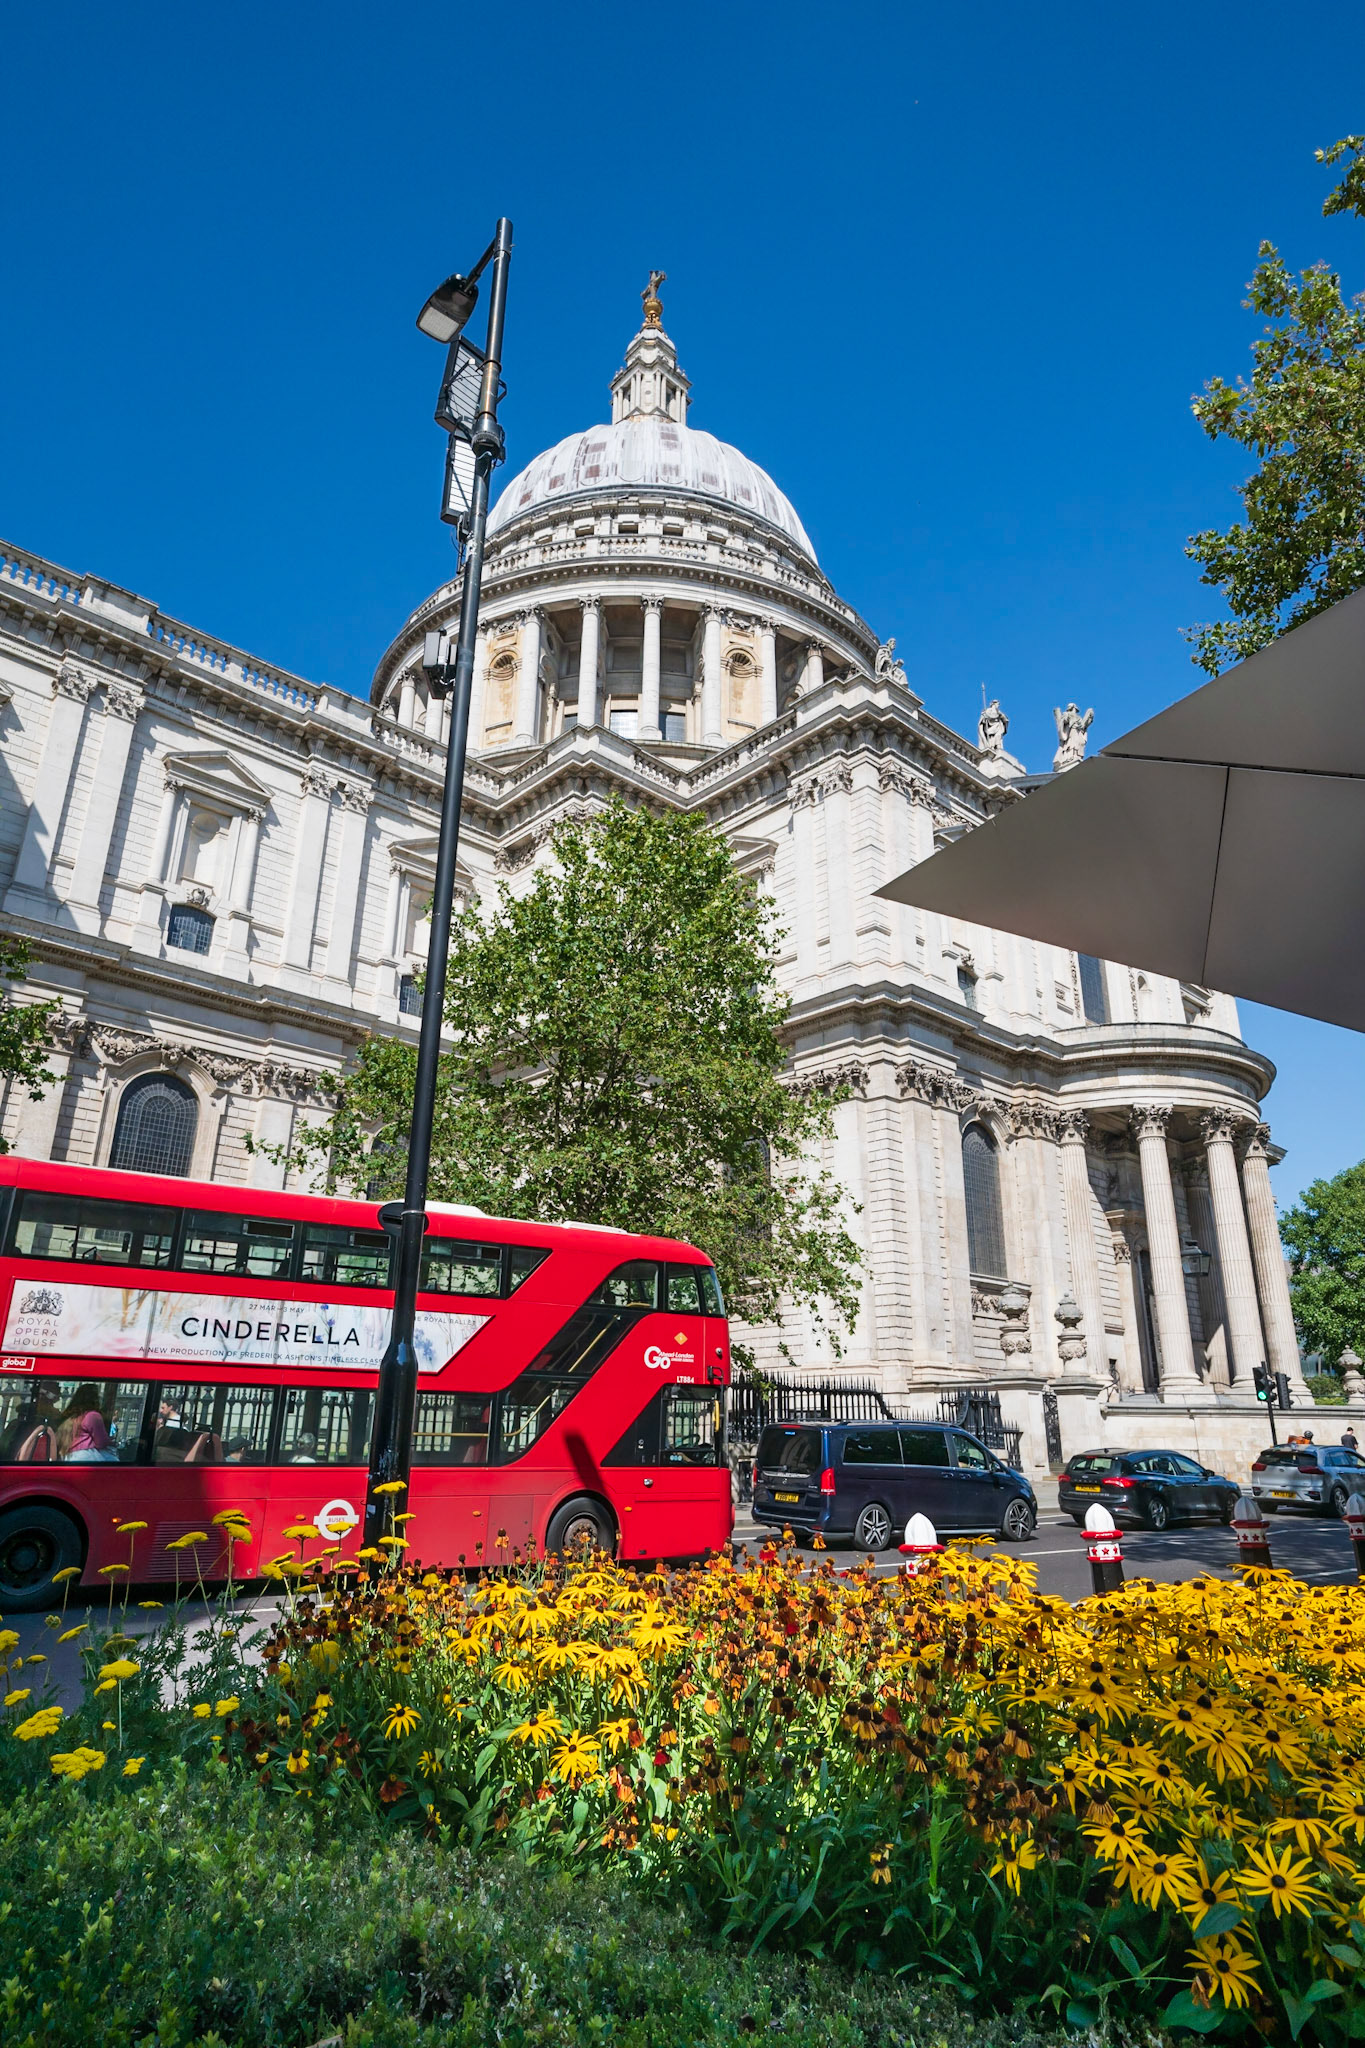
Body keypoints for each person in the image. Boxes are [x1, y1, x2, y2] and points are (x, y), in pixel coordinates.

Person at [57, 1384, 119, 1463]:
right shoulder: (92, 1416)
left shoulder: (70, 1416)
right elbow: (101, 1442)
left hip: (67, 1456)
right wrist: (110, 1441)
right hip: (86, 1456)